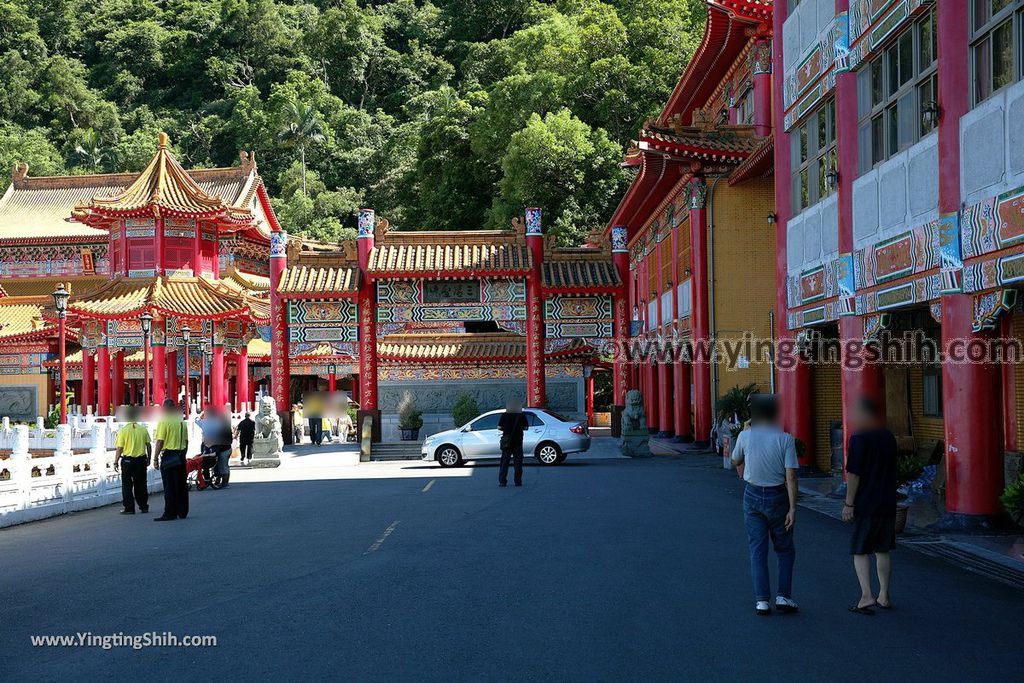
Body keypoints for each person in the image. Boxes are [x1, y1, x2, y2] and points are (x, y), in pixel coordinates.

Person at [730, 395, 799, 616]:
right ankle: (783, 596)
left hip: (752, 495)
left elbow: (735, 460)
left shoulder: (745, 436)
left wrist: (745, 429)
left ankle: (762, 601)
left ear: (756, 414)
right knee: (785, 549)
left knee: (757, 550)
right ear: (776, 413)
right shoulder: (785, 439)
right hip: (778, 496)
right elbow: (791, 477)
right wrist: (792, 508)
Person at [843, 396, 898, 615]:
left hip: (866, 502)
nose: (853, 417)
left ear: (865, 414)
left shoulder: (859, 439)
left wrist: (849, 503)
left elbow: (854, 474)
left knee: (860, 549)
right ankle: (884, 595)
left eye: (855, 412)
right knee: (883, 549)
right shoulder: (888, 437)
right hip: (887, 501)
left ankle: (866, 596)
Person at [153, 399, 189, 521]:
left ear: (165, 408)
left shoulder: (164, 422)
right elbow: (186, 441)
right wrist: (183, 454)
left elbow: (160, 441)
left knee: (169, 486)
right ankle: (182, 511)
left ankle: (170, 512)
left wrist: (155, 458)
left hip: (169, 455)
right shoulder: (181, 422)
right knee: (181, 484)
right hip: (180, 455)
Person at [113, 405, 151, 514]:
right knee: (141, 484)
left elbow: (119, 448)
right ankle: (143, 506)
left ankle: (129, 508)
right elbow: (148, 445)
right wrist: (149, 457)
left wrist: (115, 462)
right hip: (141, 460)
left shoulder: (123, 431)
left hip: (128, 461)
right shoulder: (143, 430)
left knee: (127, 485)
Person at [497, 399, 529, 487]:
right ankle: (518, 481)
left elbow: (499, 427)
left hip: (507, 442)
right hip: (518, 441)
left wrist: (506, 429)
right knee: (518, 462)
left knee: (504, 462)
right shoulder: (521, 415)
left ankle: (502, 481)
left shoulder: (505, 415)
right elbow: (526, 427)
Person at [201, 403, 233, 487]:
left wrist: (213, 442)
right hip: (218, 449)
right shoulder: (216, 425)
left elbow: (227, 441)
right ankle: (217, 480)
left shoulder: (225, 428)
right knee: (216, 465)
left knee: (223, 466)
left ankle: (225, 483)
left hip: (225, 449)